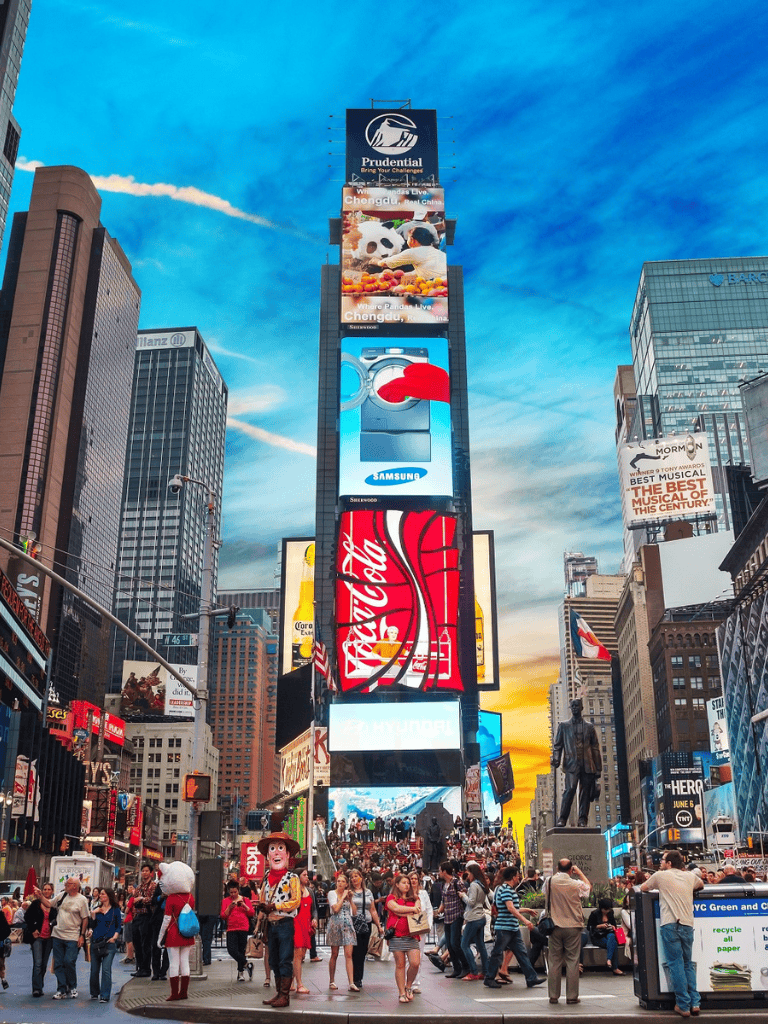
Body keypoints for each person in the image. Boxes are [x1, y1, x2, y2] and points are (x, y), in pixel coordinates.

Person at [641, 849, 704, 1017]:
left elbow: (643, 887)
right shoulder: (690, 876)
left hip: (670, 924)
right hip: (687, 924)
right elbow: (701, 884)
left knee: (675, 964)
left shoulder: (661, 876)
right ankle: (695, 1002)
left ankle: (683, 1005)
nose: (660, 862)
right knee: (687, 963)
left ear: (669, 864)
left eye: (662, 860)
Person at [258, 830, 301, 1009]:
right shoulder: (267, 877)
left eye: (280, 848)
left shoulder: (292, 877)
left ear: (287, 854)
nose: (276, 852)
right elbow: (262, 897)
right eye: (272, 848)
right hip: (271, 924)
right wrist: (261, 908)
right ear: (268, 854)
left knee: (285, 959)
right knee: (273, 960)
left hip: (284, 924)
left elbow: (295, 901)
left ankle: (285, 995)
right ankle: (278, 993)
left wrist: (275, 907)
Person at [484, 864, 545, 989]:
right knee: (498, 952)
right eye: (517, 876)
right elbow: (510, 908)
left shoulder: (505, 889)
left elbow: (510, 908)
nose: (519, 878)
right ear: (513, 877)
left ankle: (531, 978)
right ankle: (489, 978)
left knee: (520, 953)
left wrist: (525, 910)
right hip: (505, 928)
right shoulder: (506, 890)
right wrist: (525, 920)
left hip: (510, 927)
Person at [545, 859, 591, 1005]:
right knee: (572, 961)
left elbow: (544, 894)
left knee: (554, 961)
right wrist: (580, 873)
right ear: (571, 870)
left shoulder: (549, 881)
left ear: (557, 868)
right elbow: (588, 889)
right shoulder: (576, 884)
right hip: (573, 926)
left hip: (554, 926)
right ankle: (572, 996)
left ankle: (553, 995)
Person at [552, 698, 603, 826]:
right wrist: (556, 759)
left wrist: (598, 768)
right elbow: (557, 745)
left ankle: (582, 819)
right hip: (571, 765)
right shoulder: (563, 726)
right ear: (570, 708)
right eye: (572, 706)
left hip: (587, 765)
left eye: (577, 705)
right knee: (570, 789)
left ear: (581, 708)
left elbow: (595, 747)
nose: (574, 708)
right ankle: (562, 818)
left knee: (585, 792)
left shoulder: (589, 727)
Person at [36, 877, 90, 999]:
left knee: (69, 961)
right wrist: (40, 896)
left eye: (68, 883)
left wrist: (82, 935)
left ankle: (72, 986)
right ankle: (61, 989)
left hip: (72, 935)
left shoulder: (82, 900)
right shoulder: (62, 895)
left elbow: (85, 918)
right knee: (58, 964)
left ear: (75, 886)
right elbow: (49, 903)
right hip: (57, 935)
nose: (65, 884)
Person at [156, 860, 196, 1001]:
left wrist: (160, 937)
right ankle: (184, 992)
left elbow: (166, 920)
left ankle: (174, 993)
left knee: (174, 963)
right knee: (184, 962)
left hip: (173, 933)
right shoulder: (191, 897)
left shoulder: (171, 899)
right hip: (187, 933)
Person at [385, 872, 422, 1003]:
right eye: (404, 883)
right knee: (400, 965)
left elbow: (417, 909)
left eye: (408, 883)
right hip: (397, 935)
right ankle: (401, 992)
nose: (407, 885)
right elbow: (394, 908)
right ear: (397, 884)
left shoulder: (415, 898)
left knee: (415, 963)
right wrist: (410, 911)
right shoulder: (391, 897)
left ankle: (408, 986)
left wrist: (402, 910)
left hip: (412, 935)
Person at [349, 867, 380, 990]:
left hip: (366, 923)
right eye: (351, 877)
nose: (354, 879)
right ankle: (353, 979)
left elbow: (372, 909)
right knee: (353, 952)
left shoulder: (368, 892)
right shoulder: (349, 892)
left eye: (356, 876)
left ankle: (358, 978)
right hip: (353, 923)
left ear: (361, 878)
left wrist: (378, 925)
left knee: (362, 951)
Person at [436, 861, 468, 978]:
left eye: (440, 871)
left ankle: (465, 966)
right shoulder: (444, 885)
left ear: (444, 871)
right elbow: (443, 901)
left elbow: (464, 896)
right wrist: (438, 912)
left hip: (457, 915)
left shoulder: (457, 882)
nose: (439, 873)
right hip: (447, 917)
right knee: (449, 944)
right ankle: (456, 968)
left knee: (455, 943)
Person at [89, 887, 121, 1002]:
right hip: (96, 942)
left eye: (102, 894)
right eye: (100, 894)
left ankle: (105, 995)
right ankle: (94, 992)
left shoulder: (115, 910)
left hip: (109, 943)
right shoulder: (96, 909)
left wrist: (114, 937)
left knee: (106, 969)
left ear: (108, 895)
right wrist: (93, 913)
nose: (100, 895)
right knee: (94, 970)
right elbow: (91, 925)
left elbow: (118, 926)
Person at [326, 873, 358, 991]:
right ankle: (332, 980)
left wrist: (350, 899)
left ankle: (351, 982)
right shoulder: (332, 894)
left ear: (346, 884)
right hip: (335, 925)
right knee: (334, 954)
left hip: (347, 925)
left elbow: (354, 912)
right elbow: (335, 909)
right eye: (338, 881)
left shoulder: (348, 895)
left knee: (349, 954)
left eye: (342, 881)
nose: (339, 883)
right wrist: (343, 896)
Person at [460, 862, 490, 980]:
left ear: (472, 873)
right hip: (481, 916)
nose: (467, 876)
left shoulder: (473, 885)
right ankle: (486, 971)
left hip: (473, 918)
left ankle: (473, 971)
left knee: (464, 944)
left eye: (468, 873)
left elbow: (471, 902)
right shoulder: (482, 885)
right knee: (481, 946)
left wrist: (463, 895)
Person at [24, 881, 55, 996]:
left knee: (44, 964)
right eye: (45, 889)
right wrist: (33, 929)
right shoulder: (36, 903)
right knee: (37, 963)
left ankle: (40, 985)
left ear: (52, 891)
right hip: (37, 936)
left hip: (49, 937)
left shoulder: (54, 904)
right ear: (42, 891)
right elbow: (27, 916)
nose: (47, 891)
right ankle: (36, 988)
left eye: (49, 889)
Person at [221, 879, 254, 981]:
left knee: (241, 950)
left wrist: (244, 905)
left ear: (238, 890)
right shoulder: (226, 901)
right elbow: (223, 915)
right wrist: (229, 907)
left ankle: (241, 973)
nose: (233, 894)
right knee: (232, 950)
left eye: (235, 892)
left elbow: (251, 913)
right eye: (231, 892)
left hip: (243, 927)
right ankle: (246, 964)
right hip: (231, 928)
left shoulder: (245, 899)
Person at [408, 870, 432, 992]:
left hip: (420, 927)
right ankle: (408, 982)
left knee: (420, 955)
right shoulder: (405, 894)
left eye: (415, 879)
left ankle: (416, 982)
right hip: (408, 927)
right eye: (411, 879)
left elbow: (429, 909)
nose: (413, 881)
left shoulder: (423, 894)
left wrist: (429, 924)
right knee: (409, 956)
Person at [131, 863, 157, 978]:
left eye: (146, 871)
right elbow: (133, 900)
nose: (144, 873)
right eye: (143, 871)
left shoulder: (153, 885)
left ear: (151, 873)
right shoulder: (139, 886)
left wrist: (141, 899)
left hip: (147, 916)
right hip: (137, 916)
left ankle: (146, 968)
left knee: (145, 943)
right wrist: (139, 899)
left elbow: (151, 900)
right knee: (137, 943)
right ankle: (140, 967)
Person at [291, 868, 314, 994]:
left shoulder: (309, 891)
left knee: (301, 955)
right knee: (298, 954)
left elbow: (313, 908)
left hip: (306, 924)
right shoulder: (294, 891)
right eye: (304, 875)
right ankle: (299, 984)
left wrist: (314, 919)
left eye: (307, 875)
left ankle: (291, 982)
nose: (307, 877)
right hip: (296, 923)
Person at [587, 896, 623, 975]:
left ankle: (609, 960)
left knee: (612, 937)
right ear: (601, 908)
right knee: (613, 944)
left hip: (608, 934)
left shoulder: (610, 913)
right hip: (597, 937)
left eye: (608, 909)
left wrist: (612, 926)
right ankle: (615, 968)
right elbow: (589, 927)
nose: (607, 911)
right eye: (605, 909)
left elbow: (614, 924)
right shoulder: (594, 914)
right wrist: (600, 926)